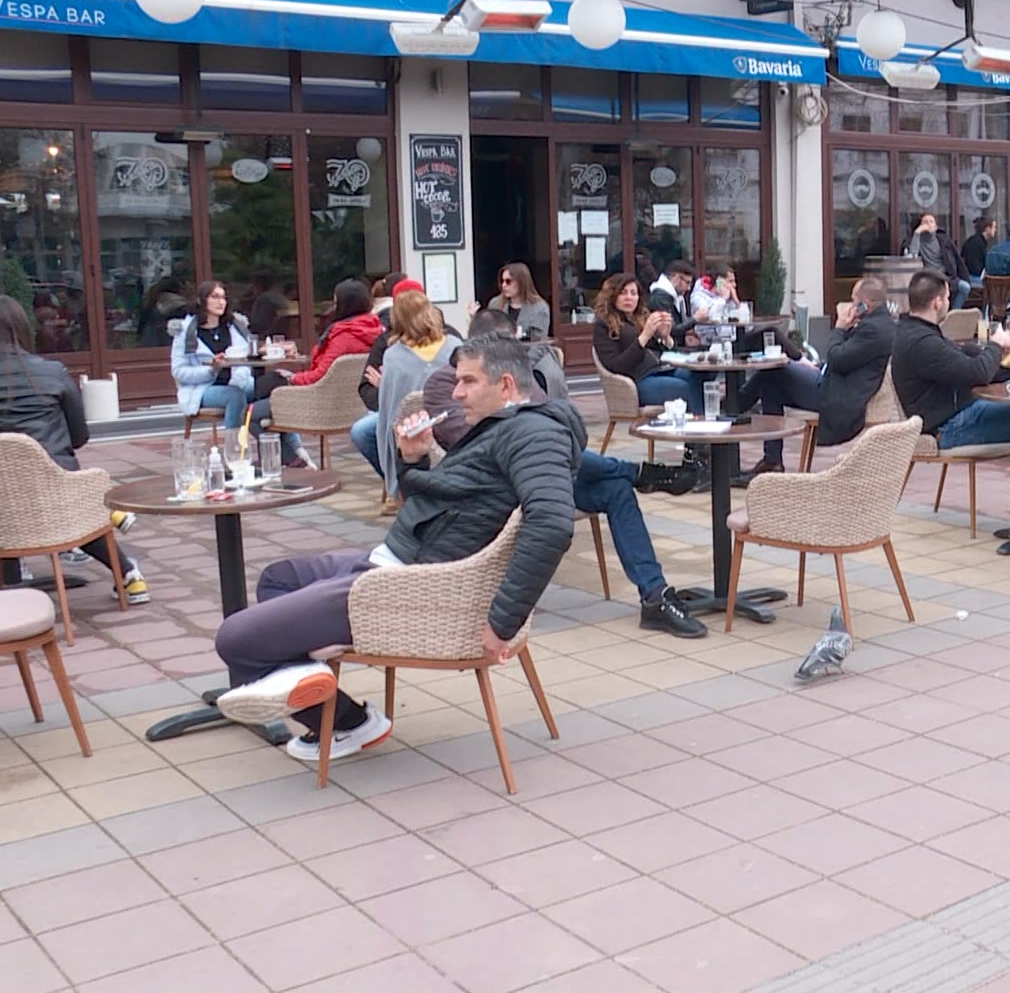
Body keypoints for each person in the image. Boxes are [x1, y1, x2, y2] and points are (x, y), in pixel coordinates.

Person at [211, 336, 584, 759]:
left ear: (505, 385)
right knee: (278, 579)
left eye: (468, 381)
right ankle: (309, 676)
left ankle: (349, 722)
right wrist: (414, 458)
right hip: (399, 558)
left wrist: (503, 623)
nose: (456, 392)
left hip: (409, 583)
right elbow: (447, 503)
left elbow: (552, 524)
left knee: (236, 641)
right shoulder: (505, 426)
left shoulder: (535, 434)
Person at [417, 316, 705, 639]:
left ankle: (654, 595)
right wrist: (526, 429)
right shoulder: (446, 385)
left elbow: (557, 430)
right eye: (506, 346)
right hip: (495, 486)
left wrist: (537, 435)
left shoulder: (518, 375)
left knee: (615, 488)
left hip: (547, 475)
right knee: (554, 451)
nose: (515, 354)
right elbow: (470, 441)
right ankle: (639, 472)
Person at [0, 297, 148, 603]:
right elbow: (79, 437)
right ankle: (127, 571)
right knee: (74, 514)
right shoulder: (53, 372)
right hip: (54, 490)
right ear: (23, 328)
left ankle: (13, 582)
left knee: (9, 498)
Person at [733, 278, 897, 476]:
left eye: (854, 301)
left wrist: (840, 327)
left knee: (774, 369)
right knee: (770, 385)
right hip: (829, 380)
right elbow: (845, 358)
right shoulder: (876, 323)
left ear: (866, 303)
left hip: (835, 395)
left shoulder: (874, 329)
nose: (851, 305)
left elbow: (837, 358)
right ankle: (772, 460)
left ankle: (730, 411)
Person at [892, 272, 1010, 450]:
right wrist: (996, 345)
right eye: (947, 298)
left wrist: (993, 351)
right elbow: (979, 373)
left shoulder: (917, 333)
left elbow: (958, 361)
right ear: (937, 302)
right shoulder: (922, 341)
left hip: (962, 414)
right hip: (951, 427)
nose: (949, 303)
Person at [249, 278, 381, 468]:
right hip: (351, 405)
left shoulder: (343, 336)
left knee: (251, 413)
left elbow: (319, 376)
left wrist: (293, 377)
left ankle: (291, 458)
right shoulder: (375, 331)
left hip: (319, 403)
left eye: (335, 301)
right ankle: (287, 455)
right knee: (269, 388)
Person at [374, 287, 461, 506]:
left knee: (363, 432)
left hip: (411, 437)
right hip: (454, 436)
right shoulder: (456, 347)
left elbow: (387, 412)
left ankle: (395, 492)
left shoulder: (393, 356)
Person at [591, 271, 703, 412]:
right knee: (685, 388)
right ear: (613, 296)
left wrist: (665, 337)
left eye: (633, 293)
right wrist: (645, 335)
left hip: (661, 369)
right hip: (638, 380)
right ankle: (699, 422)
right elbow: (616, 365)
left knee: (698, 376)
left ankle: (704, 419)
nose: (629, 297)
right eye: (623, 293)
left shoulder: (639, 318)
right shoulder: (604, 325)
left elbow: (662, 352)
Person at [171, 280, 255, 434]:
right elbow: (179, 371)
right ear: (201, 300)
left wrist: (239, 378)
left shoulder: (234, 327)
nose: (221, 302)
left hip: (236, 382)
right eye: (215, 297)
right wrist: (211, 370)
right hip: (202, 389)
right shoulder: (186, 332)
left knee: (272, 389)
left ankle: (290, 447)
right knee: (235, 395)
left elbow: (245, 361)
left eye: (223, 298)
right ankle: (234, 446)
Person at [484, 261, 551, 339]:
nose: (503, 285)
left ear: (521, 282)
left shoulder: (539, 308)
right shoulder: (495, 304)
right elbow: (488, 335)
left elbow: (539, 341)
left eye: (508, 281)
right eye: (502, 281)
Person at [245, 271, 291, 340]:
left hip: (265, 338)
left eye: (253, 286)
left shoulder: (264, 299)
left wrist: (245, 318)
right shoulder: (278, 297)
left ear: (258, 285)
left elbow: (260, 325)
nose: (251, 289)